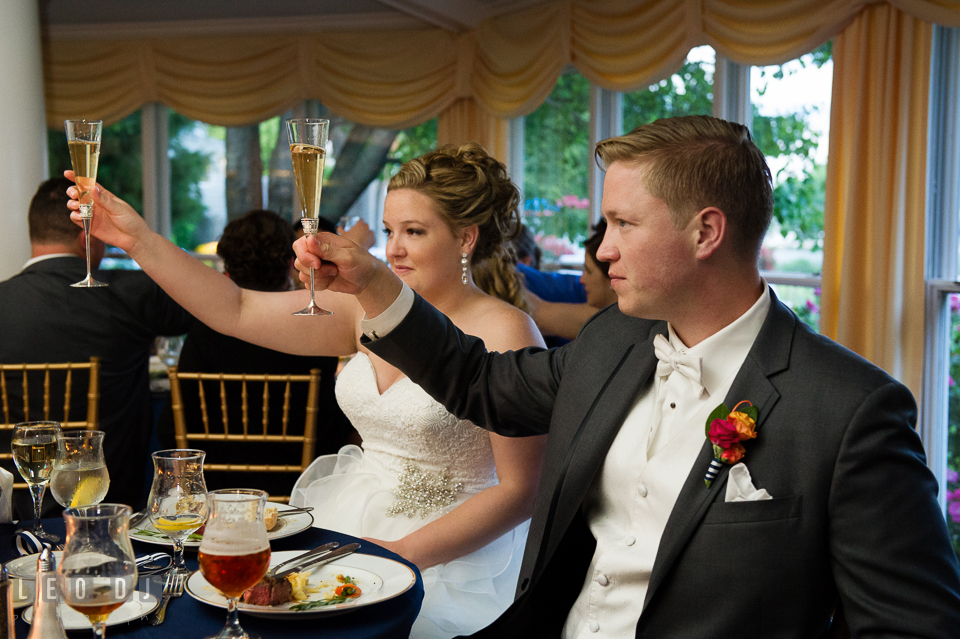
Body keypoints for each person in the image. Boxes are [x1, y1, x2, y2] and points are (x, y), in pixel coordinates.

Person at [292, 115, 960, 637]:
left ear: (706, 232)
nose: (602, 247)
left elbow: (911, 626)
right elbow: (481, 384)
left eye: (622, 223)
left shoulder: (850, 409)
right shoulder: (611, 339)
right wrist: (376, 285)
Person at [65, 143, 546, 639]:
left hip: (455, 552)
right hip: (351, 522)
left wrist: (399, 556)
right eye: (388, 231)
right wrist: (137, 239)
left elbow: (522, 489)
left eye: (414, 232)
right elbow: (235, 309)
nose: (394, 248)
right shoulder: (364, 312)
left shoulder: (507, 331)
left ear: (466, 238)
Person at [0, 177, 192, 514]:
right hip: (114, 500)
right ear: (87, 237)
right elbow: (208, 308)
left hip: (12, 507)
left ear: (34, 233)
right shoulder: (132, 294)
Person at [157, 209, 356, 497]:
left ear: (228, 268)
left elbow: (172, 428)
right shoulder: (313, 325)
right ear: (290, 263)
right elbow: (331, 423)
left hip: (218, 485)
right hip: (302, 485)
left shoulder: (206, 330)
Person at [525, 219, 617, 340]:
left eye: (588, 271)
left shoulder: (616, 326)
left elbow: (540, 314)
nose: (581, 280)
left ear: (613, 274)